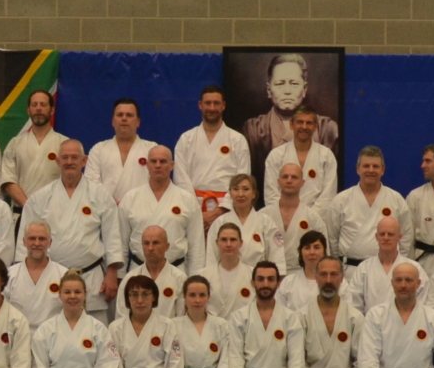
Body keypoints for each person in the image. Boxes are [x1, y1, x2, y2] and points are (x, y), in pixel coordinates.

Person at [27, 140, 123, 309]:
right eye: (65, 157)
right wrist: (31, 276)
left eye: (74, 157)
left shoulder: (100, 195)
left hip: (91, 276)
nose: (69, 162)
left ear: (84, 161)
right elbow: (27, 242)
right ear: (57, 162)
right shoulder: (39, 198)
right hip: (51, 277)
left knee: (93, 325)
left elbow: (112, 237)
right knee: (53, 322)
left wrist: (112, 273)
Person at [224, 260, 309, 368]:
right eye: (260, 279)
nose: (265, 284)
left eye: (270, 279)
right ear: (252, 283)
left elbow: (296, 359)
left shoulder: (290, 317)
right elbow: (235, 358)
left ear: (278, 283)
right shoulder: (239, 317)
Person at [295, 251, 370, 368]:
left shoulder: (355, 317)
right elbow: (297, 357)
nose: (328, 280)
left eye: (334, 274)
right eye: (323, 274)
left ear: (342, 278)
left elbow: (361, 359)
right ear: (316, 277)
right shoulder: (302, 315)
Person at [175, 84, 252, 236]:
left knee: (226, 247)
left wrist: (221, 210)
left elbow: (243, 177)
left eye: (216, 103)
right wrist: (197, 213)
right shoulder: (186, 139)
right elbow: (181, 178)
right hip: (193, 210)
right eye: (208, 103)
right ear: (200, 105)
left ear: (223, 106)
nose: (212, 108)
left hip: (227, 210)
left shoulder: (237, 140)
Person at [121, 146, 199, 273]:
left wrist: (196, 277)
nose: (158, 165)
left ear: (172, 165)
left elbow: (196, 245)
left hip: (176, 271)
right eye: (153, 161)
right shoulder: (130, 198)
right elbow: (121, 243)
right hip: (139, 270)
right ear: (147, 165)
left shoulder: (187, 199)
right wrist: (119, 274)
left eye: (163, 161)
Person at [244, 54, 340, 156]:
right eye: (279, 84)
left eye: (294, 84)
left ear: (304, 89)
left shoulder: (327, 129)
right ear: (269, 90)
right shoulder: (253, 129)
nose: (287, 91)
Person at [248, 161, 329, 281]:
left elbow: (324, 253)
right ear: (278, 181)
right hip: (269, 277)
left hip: (302, 275)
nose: (289, 180)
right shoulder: (263, 215)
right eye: (285, 177)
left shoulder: (313, 217)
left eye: (294, 177)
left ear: (302, 183)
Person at [330, 148, 409, 267]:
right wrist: (337, 266)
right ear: (358, 168)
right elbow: (332, 238)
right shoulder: (341, 200)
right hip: (349, 269)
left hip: (387, 268)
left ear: (383, 170)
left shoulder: (396, 200)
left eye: (375, 166)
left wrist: (399, 266)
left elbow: (406, 238)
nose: (371, 170)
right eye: (366, 166)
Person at [0, 89, 69, 213]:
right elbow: (8, 181)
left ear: (52, 110)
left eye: (43, 104)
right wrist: (30, 207)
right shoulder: (15, 144)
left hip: (54, 213)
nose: (38, 108)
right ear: (29, 110)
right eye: (34, 104)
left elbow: (71, 181)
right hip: (22, 211)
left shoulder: (65, 144)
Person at [260, 105, 341, 208]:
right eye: (300, 122)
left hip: (317, 216)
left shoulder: (326, 155)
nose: (304, 127)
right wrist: (286, 215)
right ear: (291, 125)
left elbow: (328, 196)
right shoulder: (276, 155)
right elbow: (271, 195)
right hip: (283, 215)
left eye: (309, 123)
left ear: (315, 126)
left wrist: (309, 216)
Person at [86, 98, 159, 199]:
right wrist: (109, 202)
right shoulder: (98, 149)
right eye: (120, 115)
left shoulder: (152, 149)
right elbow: (91, 182)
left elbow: (159, 181)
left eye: (129, 115)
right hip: (106, 207)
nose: (124, 118)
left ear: (138, 122)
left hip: (143, 206)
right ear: (113, 121)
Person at [342, 214, 411, 317]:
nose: (386, 238)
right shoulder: (363, 268)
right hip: (370, 325)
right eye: (382, 234)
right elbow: (354, 306)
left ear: (399, 237)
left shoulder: (413, 268)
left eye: (390, 234)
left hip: (404, 324)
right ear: (376, 237)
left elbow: (421, 304)